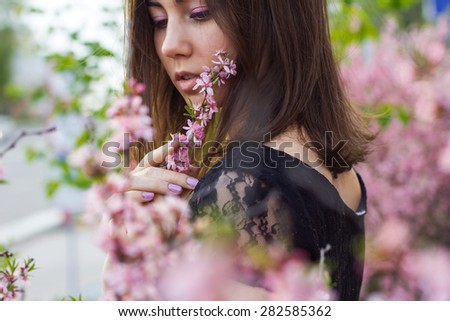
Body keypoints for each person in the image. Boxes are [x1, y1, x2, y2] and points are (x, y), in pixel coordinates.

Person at [124, 0, 375, 300]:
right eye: (159, 21)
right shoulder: (334, 165)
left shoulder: (244, 183)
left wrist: (127, 270)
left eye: (201, 14)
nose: (169, 45)